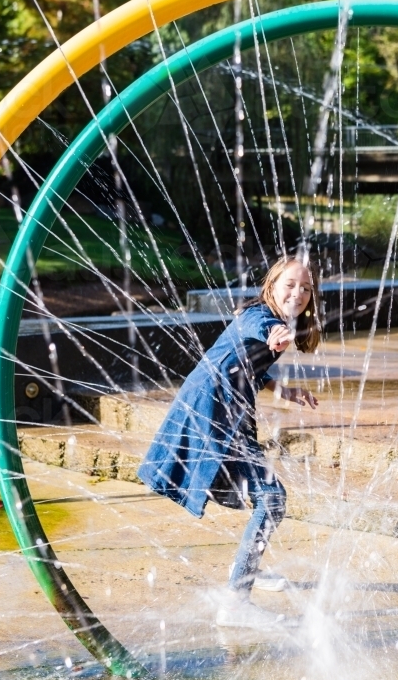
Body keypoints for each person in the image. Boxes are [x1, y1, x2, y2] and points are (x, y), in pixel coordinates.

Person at [138, 255, 321, 629]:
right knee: (271, 498)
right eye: (290, 284)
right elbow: (262, 333)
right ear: (271, 285)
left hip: (224, 408)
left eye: (305, 288)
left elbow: (249, 360)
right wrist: (277, 336)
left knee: (261, 497)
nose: (298, 293)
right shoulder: (260, 317)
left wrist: (282, 388)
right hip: (213, 409)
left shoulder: (265, 316)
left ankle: (247, 568)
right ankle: (237, 600)